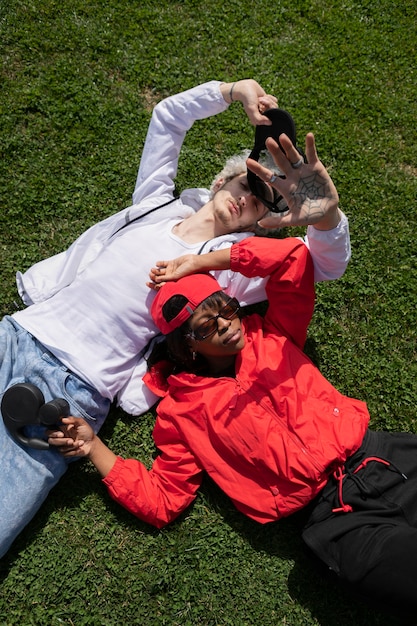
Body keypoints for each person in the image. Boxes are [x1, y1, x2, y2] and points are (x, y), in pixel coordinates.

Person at [51, 133, 417, 614]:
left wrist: (205, 260)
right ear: (186, 349)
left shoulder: (275, 333)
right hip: (336, 519)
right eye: (209, 324)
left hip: (384, 458)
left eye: (226, 309)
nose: (227, 323)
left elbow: (292, 259)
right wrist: (94, 447)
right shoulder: (181, 413)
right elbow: (163, 500)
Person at [0, 79, 350, 558]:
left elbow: (319, 266)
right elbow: (167, 118)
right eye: (246, 183)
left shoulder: (233, 273)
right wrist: (230, 92)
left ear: (261, 221)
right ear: (222, 181)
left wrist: (324, 219)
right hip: (20, 331)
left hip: (77, 385)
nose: (248, 198)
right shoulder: (156, 202)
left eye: (263, 202)